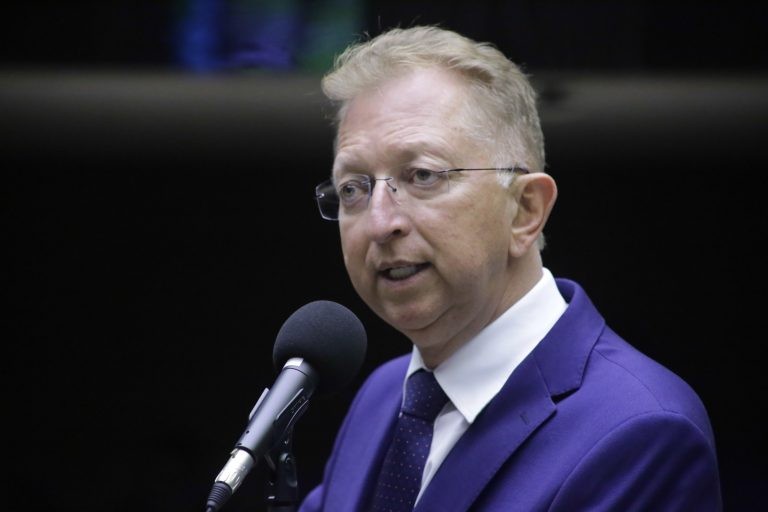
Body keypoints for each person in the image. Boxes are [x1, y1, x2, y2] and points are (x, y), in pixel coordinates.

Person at [302, 26, 722, 511]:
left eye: (422, 176)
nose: (380, 223)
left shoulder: (641, 429)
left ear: (525, 210)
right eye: (354, 187)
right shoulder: (382, 397)